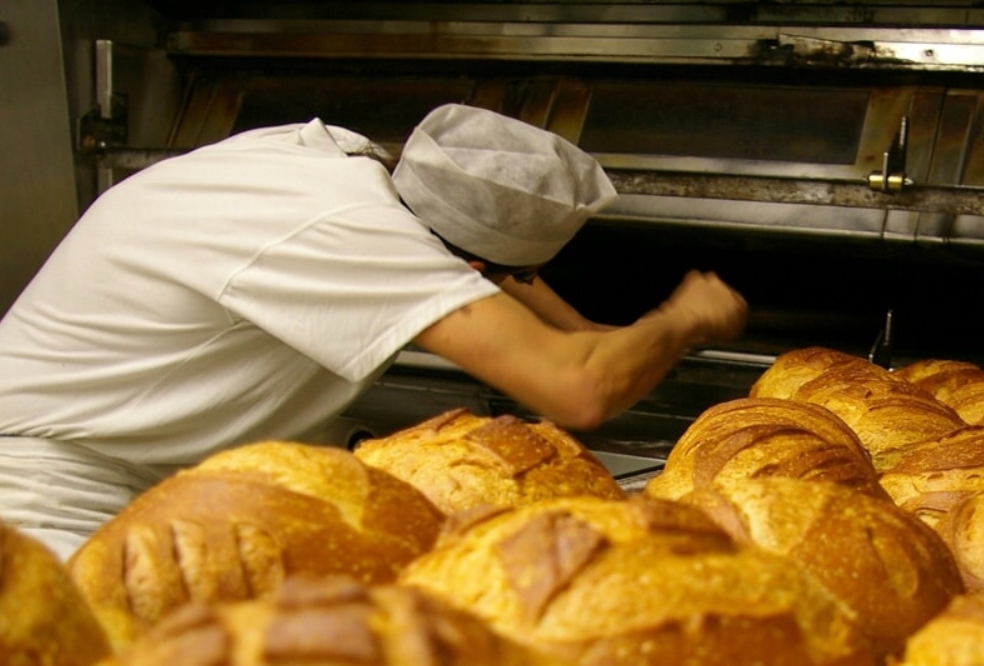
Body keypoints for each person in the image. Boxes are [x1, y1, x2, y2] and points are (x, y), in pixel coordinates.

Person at [0, 103, 748, 560]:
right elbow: (577, 389)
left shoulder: (342, 166)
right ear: (470, 257)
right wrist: (679, 320)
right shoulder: (346, 231)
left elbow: (508, 280)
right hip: (43, 489)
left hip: (157, 478)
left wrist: (594, 330)